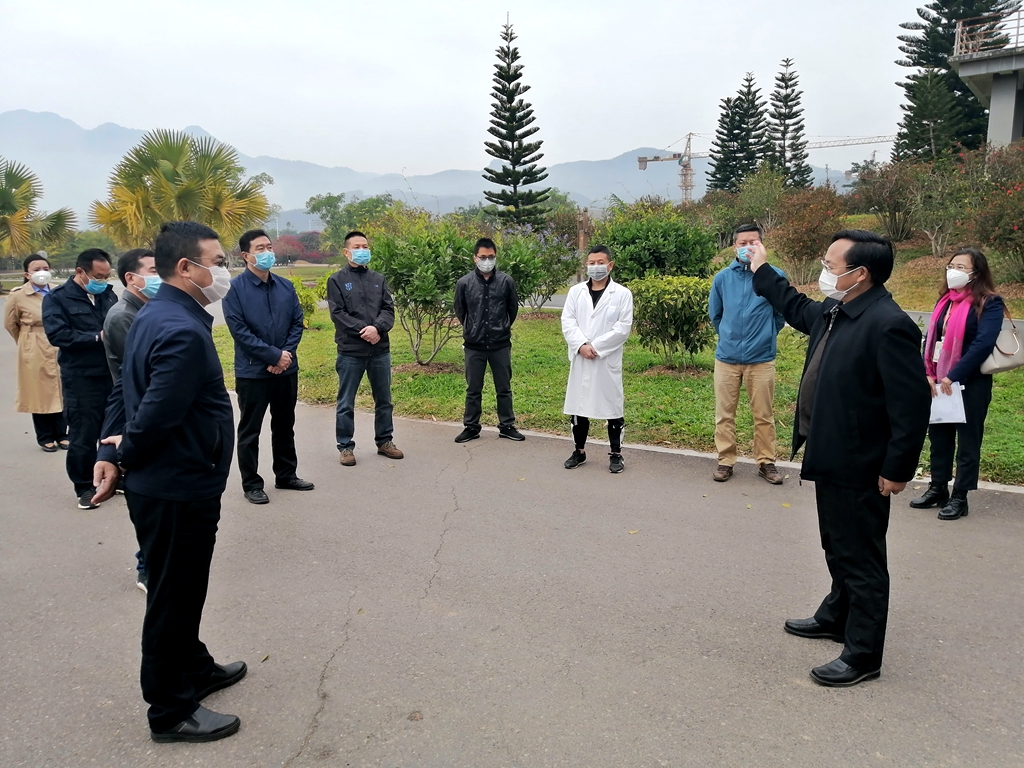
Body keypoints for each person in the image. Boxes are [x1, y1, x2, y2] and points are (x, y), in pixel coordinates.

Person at [748, 229, 930, 687]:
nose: (825, 273)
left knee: (862, 558)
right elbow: (795, 306)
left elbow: (910, 406)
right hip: (832, 452)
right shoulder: (838, 310)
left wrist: (897, 469)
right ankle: (836, 615)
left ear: (860, 273)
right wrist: (762, 269)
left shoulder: (888, 324)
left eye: (831, 266)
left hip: (861, 461)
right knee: (836, 544)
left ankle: (863, 654)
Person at [93, 221, 245, 743]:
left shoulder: (156, 314)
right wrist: (121, 454)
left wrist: (109, 449)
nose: (223, 271)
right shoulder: (179, 328)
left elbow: (123, 389)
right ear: (186, 267)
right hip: (177, 484)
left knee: (183, 587)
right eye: (218, 262)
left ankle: (194, 667)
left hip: (174, 479)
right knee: (172, 596)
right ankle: (170, 708)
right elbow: (156, 413)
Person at [910, 248, 1004, 521]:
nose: (954, 271)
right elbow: (931, 339)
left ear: (976, 273)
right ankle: (938, 487)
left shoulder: (989, 303)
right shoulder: (945, 301)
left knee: (968, 441)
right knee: (939, 436)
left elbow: (983, 343)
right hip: (939, 380)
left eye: (961, 267)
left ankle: (960, 496)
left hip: (970, 382)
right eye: (952, 265)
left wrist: (955, 375)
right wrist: (928, 372)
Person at [223, 229, 314, 504]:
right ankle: (251, 483)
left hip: (286, 369)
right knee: (250, 430)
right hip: (253, 372)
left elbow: (296, 323)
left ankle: (286, 474)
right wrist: (273, 356)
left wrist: (285, 355)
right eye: (260, 248)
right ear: (246, 255)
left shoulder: (285, 286)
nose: (267, 252)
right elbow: (240, 332)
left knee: (285, 424)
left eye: (269, 247)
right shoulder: (234, 290)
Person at [708, 223, 786, 484]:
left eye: (754, 242)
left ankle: (766, 462)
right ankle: (725, 461)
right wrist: (729, 337)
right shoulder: (722, 279)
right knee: (724, 415)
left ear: (762, 245)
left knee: (763, 415)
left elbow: (780, 314)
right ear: (735, 247)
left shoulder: (774, 276)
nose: (748, 247)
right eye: (743, 243)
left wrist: (765, 336)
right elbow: (716, 315)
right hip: (727, 358)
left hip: (761, 359)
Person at [103, 247, 160, 594]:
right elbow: (138, 374)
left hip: (147, 411)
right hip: (136, 413)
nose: (159, 276)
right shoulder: (123, 316)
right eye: (152, 270)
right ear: (131, 278)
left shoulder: (148, 308)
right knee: (147, 497)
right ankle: (146, 567)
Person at [43, 248, 118, 509]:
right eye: (98, 276)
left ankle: (112, 477)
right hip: (81, 378)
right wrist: (96, 337)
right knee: (84, 435)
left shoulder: (108, 294)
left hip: (111, 374)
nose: (102, 281)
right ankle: (84, 486)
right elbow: (58, 335)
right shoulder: (57, 299)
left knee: (113, 431)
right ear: (80, 272)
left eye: (106, 276)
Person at [326, 230, 404, 466]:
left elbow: (388, 309)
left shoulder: (378, 279)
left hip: (379, 350)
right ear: (346, 251)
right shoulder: (337, 280)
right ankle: (345, 446)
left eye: (365, 246)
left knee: (384, 400)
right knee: (346, 402)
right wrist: (365, 330)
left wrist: (377, 329)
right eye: (357, 247)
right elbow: (338, 314)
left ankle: (384, 441)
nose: (362, 250)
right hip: (351, 351)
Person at [561, 245, 633, 474]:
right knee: (579, 405)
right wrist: (581, 345)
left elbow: (623, 328)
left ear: (610, 265)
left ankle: (616, 454)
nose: (596, 267)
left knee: (612, 407)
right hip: (581, 356)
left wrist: (597, 347)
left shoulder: (622, 294)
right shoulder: (576, 292)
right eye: (591, 263)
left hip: (606, 359)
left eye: (600, 263)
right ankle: (579, 451)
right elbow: (568, 321)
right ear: (586, 265)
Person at [453, 237, 524, 443]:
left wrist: (501, 327)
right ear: (475, 258)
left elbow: (512, 309)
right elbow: (461, 310)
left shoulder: (506, 282)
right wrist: (472, 328)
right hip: (474, 346)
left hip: (500, 344)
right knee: (473, 389)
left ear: (495, 257)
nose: (487, 261)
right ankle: (471, 426)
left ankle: (507, 425)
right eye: (483, 257)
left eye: (491, 257)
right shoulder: (464, 283)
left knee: (504, 388)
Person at [4, 254, 66, 451]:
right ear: (27, 274)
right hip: (34, 343)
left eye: (45, 268)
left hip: (58, 342)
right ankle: (45, 436)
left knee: (61, 389)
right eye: (36, 269)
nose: (42, 272)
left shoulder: (58, 291)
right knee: (38, 392)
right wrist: (26, 341)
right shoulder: (18, 295)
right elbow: (10, 324)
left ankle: (62, 434)